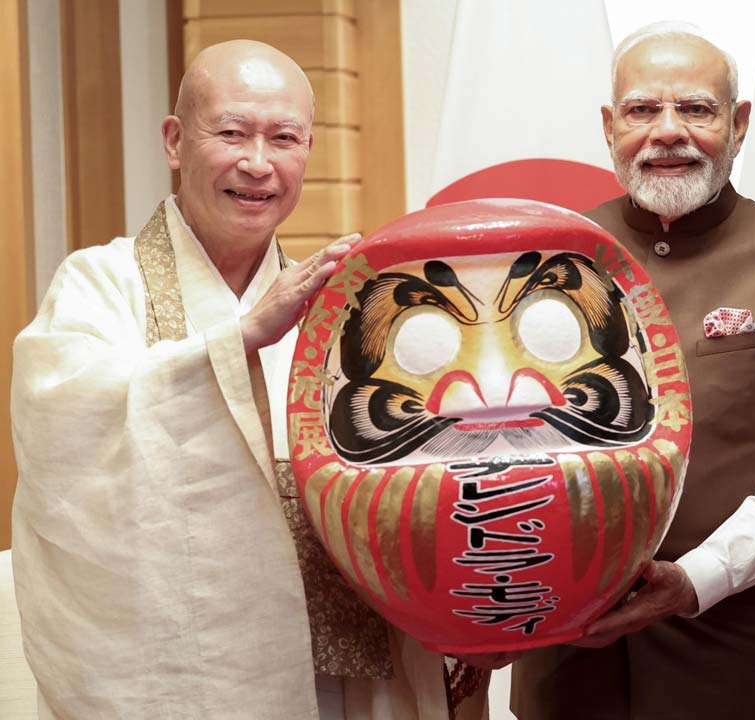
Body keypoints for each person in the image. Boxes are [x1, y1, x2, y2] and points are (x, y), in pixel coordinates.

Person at [11, 40, 475, 719]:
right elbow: (62, 426)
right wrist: (239, 339)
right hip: (192, 666)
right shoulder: (101, 283)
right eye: (231, 133)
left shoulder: (339, 301)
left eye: (283, 138)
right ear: (175, 141)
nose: (258, 163)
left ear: (308, 150)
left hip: (347, 669)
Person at [510, 23, 755, 720]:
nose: (668, 131)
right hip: (570, 666)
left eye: (697, 109)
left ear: (739, 125)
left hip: (752, 667)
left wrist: (697, 578)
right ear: (610, 127)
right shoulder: (550, 258)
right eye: (643, 110)